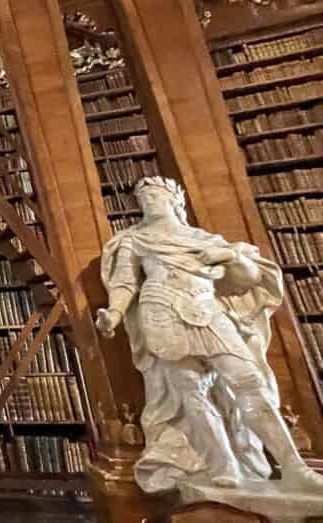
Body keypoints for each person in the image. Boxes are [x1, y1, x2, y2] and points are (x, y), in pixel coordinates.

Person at [98, 176, 323, 493]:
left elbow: (250, 277)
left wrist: (232, 257)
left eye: (155, 195)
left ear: (176, 201)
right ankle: (223, 465)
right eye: (143, 197)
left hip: (207, 310)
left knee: (249, 382)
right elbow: (125, 282)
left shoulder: (204, 239)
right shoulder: (134, 241)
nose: (147, 201)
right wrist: (115, 314)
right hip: (160, 311)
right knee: (191, 391)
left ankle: (293, 465)